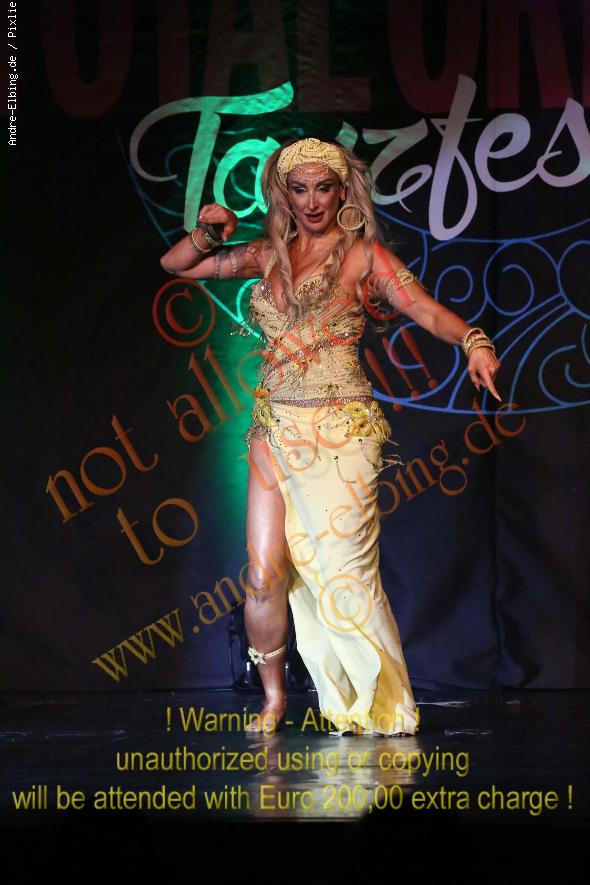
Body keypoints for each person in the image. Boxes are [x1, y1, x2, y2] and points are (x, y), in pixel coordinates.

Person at [160, 137, 501, 736]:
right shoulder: (265, 255)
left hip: (342, 433)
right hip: (273, 429)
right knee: (263, 575)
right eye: (300, 189)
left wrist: (474, 341)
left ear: (343, 191)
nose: (313, 201)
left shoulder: (364, 257)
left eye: (324, 187)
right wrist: (209, 232)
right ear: (284, 194)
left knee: (345, 567)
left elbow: (424, 310)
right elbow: (177, 266)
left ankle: (381, 700)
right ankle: (274, 698)